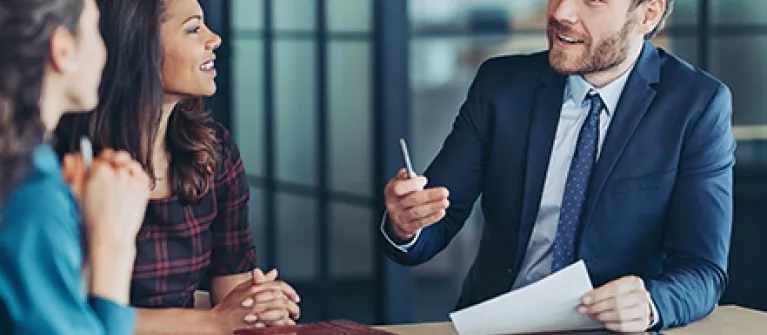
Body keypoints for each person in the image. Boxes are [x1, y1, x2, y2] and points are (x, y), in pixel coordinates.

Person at [382, 0, 734, 332]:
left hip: (609, 331)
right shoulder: (501, 86)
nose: (561, 11)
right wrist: (406, 224)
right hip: (497, 325)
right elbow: (434, 223)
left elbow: (703, 271)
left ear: (648, 14)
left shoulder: (696, 106)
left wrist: (650, 303)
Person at [55, 0, 300, 333]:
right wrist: (212, 321)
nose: (215, 39)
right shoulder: (67, 162)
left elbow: (231, 300)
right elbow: (68, 317)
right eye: (194, 29)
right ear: (140, 47)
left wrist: (258, 305)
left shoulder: (215, 152)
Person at [0, 0, 152, 334]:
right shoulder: (31, 194)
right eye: (96, 29)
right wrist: (114, 246)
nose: (104, 51)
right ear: (63, 50)